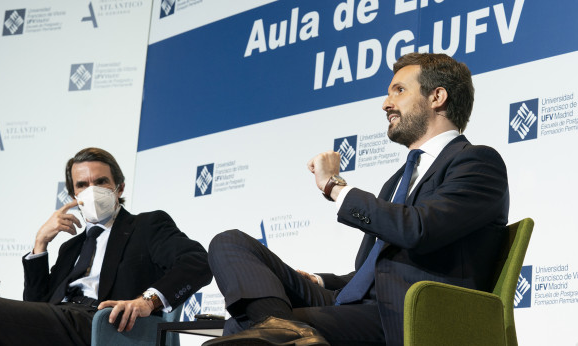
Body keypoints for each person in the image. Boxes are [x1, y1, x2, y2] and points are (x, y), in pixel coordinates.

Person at [203, 53, 510, 346]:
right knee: (229, 242)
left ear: (437, 97)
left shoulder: (477, 163)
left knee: (242, 327)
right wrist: (321, 281)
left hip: (407, 316)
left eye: (399, 91)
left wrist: (334, 187)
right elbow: (377, 270)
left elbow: (418, 230)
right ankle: (284, 331)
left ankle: (280, 332)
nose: (386, 104)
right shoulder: (398, 179)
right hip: (353, 303)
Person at [0, 147, 212, 346]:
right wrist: (40, 244)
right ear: (74, 195)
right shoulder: (71, 247)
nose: (92, 191)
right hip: (61, 321)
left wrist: (147, 301)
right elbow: (34, 307)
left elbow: (198, 262)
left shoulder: (147, 225)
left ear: (119, 188)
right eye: (82, 185)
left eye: (101, 182)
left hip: (103, 322)